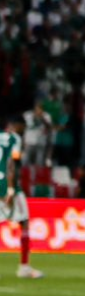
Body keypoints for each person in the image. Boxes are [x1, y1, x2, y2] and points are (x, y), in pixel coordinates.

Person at [2, 117, 39, 279]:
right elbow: (12, 163)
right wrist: (10, 190)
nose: (24, 131)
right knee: (24, 222)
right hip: (9, 186)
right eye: (23, 128)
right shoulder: (15, 139)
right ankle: (24, 267)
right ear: (16, 125)